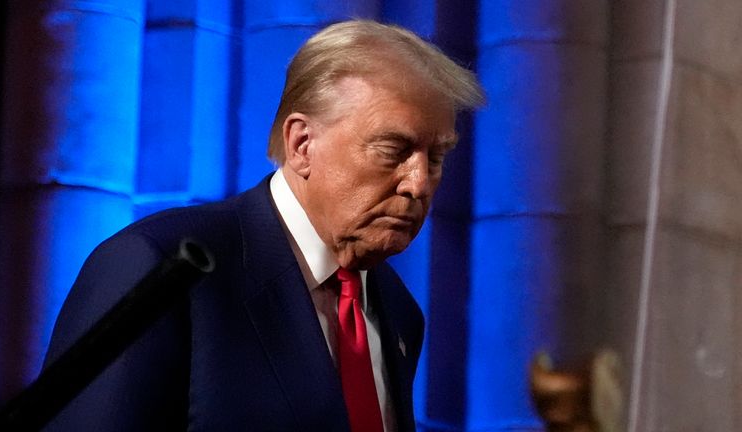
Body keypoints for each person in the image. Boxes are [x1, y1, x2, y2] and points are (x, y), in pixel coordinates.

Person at [43, 19, 483, 431]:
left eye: (437, 157)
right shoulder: (160, 267)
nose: (419, 182)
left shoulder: (398, 309)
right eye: (393, 150)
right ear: (302, 144)